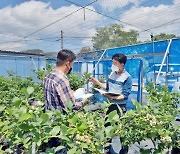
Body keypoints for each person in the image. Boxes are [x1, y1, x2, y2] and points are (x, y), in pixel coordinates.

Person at [42, 49, 87, 154]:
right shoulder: (62, 79)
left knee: (53, 148)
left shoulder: (48, 76)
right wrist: (83, 101)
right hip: (60, 124)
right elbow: (71, 106)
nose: (72, 66)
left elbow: (54, 96)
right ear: (68, 63)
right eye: (72, 64)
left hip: (49, 122)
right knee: (61, 149)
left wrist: (70, 92)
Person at [90, 53, 132, 154]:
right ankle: (107, 149)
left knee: (121, 130)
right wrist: (98, 83)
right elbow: (108, 87)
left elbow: (124, 95)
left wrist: (112, 97)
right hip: (110, 106)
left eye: (115, 63)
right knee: (107, 128)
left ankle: (124, 151)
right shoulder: (112, 73)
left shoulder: (127, 77)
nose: (113, 65)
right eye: (112, 62)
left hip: (120, 107)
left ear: (122, 64)